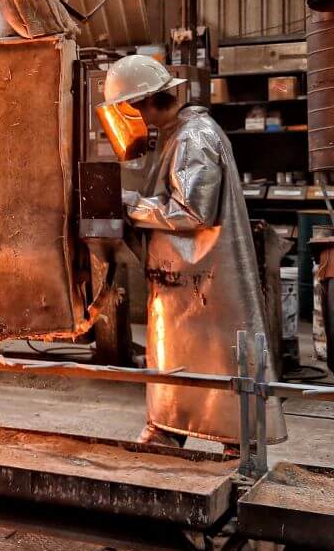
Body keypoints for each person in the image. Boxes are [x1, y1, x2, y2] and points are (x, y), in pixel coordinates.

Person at [97, 54, 287, 448]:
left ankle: (235, 442)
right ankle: (168, 427)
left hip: (207, 280)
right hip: (184, 280)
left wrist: (129, 204)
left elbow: (192, 210)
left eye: (129, 109)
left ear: (143, 102)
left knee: (219, 361)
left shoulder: (194, 137)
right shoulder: (178, 134)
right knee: (176, 356)